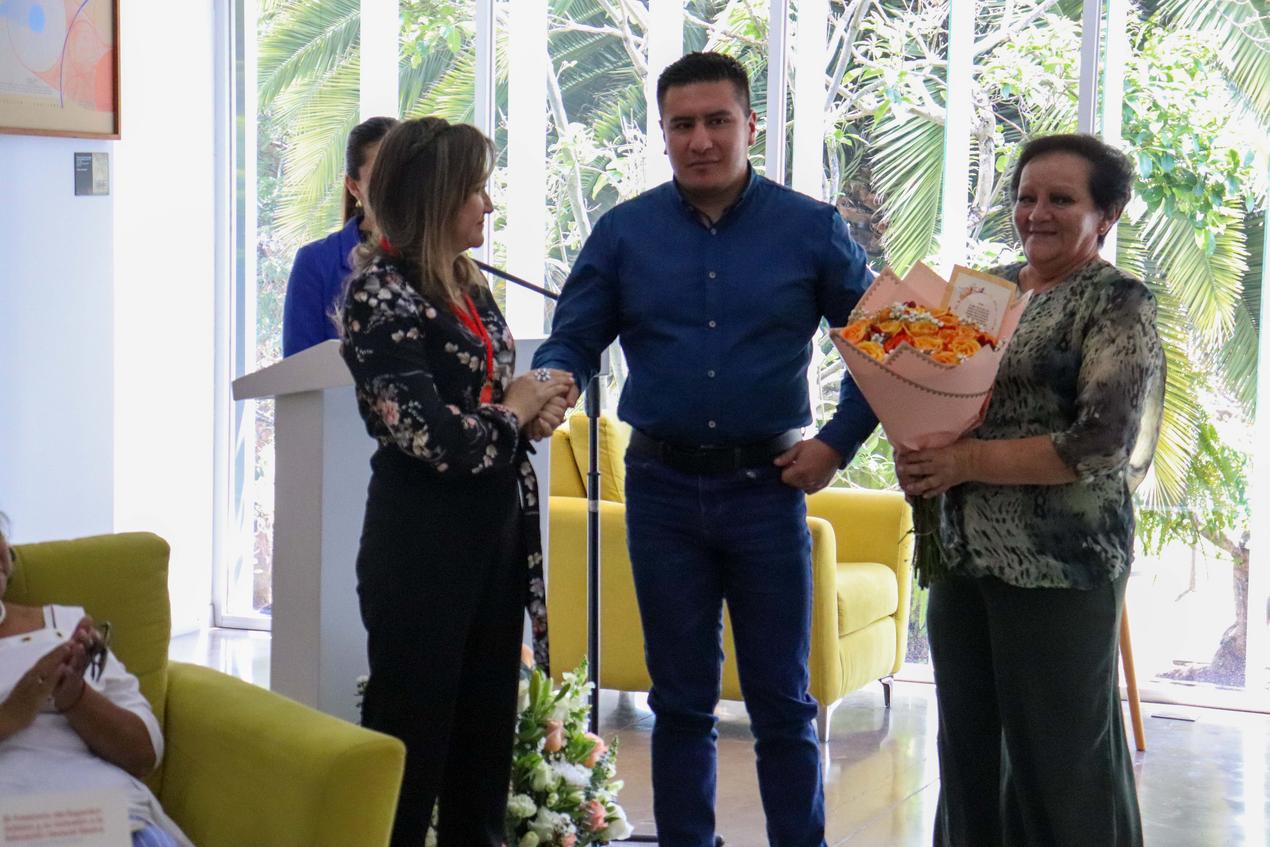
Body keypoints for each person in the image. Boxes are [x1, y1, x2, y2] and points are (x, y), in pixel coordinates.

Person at [532, 52, 877, 847]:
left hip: (768, 490)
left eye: (718, 120)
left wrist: (836, 444)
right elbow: (574, 336)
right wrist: (552, 380)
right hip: (661, 492)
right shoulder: (624, 233)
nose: (700, 140)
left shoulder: (811, 229)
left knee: (783, 702)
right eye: (681, 124)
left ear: (751, 125)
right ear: (662, 133)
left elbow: (879, 348)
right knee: (680, 701)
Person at [895, 133, 1161, 846]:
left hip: (1060, 564)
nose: (1036, 213)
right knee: (969, 757)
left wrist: (963, 461)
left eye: (1061, 199)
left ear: (1107, 214)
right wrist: (918, 446)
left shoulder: (1117, 301)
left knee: (1059, 765)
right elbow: (937, 398)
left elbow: (1100, 443)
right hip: (962, 556)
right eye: (1026, 197)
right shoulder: (983, 293)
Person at [340, 116, 574, 847]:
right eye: (477, 190)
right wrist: (515, 411)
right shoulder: (379, 293)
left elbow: (488, 399)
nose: (489, 205)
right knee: (411, 748)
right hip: (422, 544)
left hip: (491, 537)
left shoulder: (464, 279)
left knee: (484, 743)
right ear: (437, 198)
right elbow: (434, 439)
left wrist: (533, 407)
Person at [0, 515, 193, 847]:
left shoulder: (65, 626)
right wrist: (11, 714)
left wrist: (76, 699)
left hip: (105, 814)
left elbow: (143, 755)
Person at [282, 115, 399, 357]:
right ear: (354, 186)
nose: (396, 185)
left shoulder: (435, 259)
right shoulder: (316, 263)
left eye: (405, 172)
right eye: (381, 175)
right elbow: (300, 367)